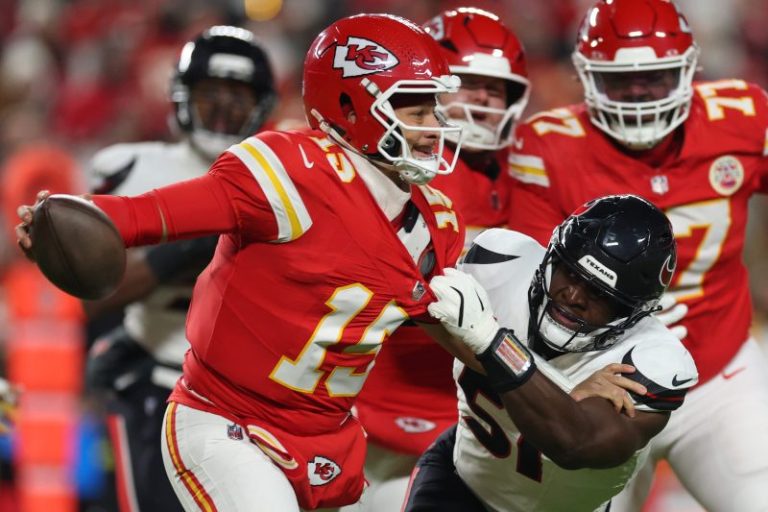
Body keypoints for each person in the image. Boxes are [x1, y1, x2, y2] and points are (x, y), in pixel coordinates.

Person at [18, 13, 474, 511]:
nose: (434, 126)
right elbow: (139, 215)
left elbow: (448, 341)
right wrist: (58, 221)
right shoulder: (288, 171)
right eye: (416, 108)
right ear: (350, 106)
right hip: (227, 420)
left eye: (433, 108)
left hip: (329, 439)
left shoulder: (437, 221)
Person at [507, 0, 768, 510]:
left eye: (655, 77)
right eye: (619, 80)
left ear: (688, 70)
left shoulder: (740, 117)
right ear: (586, 77)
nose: (638, 93)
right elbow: (537, 287)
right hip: (603, 382)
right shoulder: (549, 146)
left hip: (718, 376)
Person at [83, 25, 277, 512]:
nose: (224, 108)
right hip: (158, 376)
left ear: (260, 105)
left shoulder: (282, 177)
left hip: (253, 396)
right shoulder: (132, 168)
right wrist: (191, 244)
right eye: (211, 94)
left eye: (238, 97)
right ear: (184, 97)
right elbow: (93, 293)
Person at [404, 194, 698, 512]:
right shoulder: (501, 262)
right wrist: (564, 390)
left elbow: (576, 444)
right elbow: (413, 298)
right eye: (570, 273)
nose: (573, 296)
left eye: (599, 293)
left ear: (631, 312)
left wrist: (492, 341)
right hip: (461, 480)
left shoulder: (650, 359)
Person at [347, 8, 531, 511]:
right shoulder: (386, 164)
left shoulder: (531, 168)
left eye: (495, 90)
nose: (481, 101)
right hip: (363, 402)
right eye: (467, 84)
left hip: (473, 414)